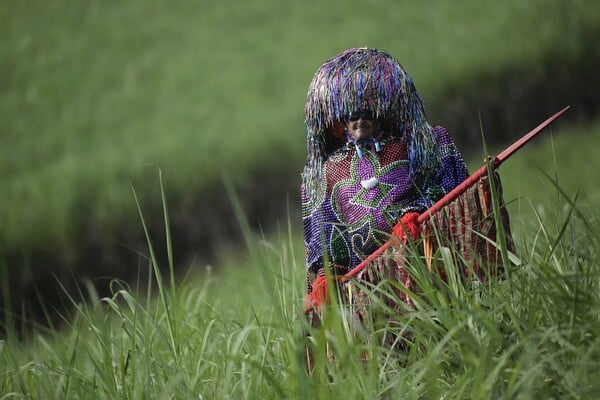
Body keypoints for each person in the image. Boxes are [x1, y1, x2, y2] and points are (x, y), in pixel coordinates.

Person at [301, 48, 470, 311]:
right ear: (340, 122)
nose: (360, 121)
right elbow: (326, 230)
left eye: (367, 113)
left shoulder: (414, 148)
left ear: (381, 113)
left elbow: (443, 190)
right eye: (352, 115)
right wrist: (327, 273)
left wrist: (411, 218)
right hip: (369, 288)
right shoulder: (330, 171)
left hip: (421, 264)